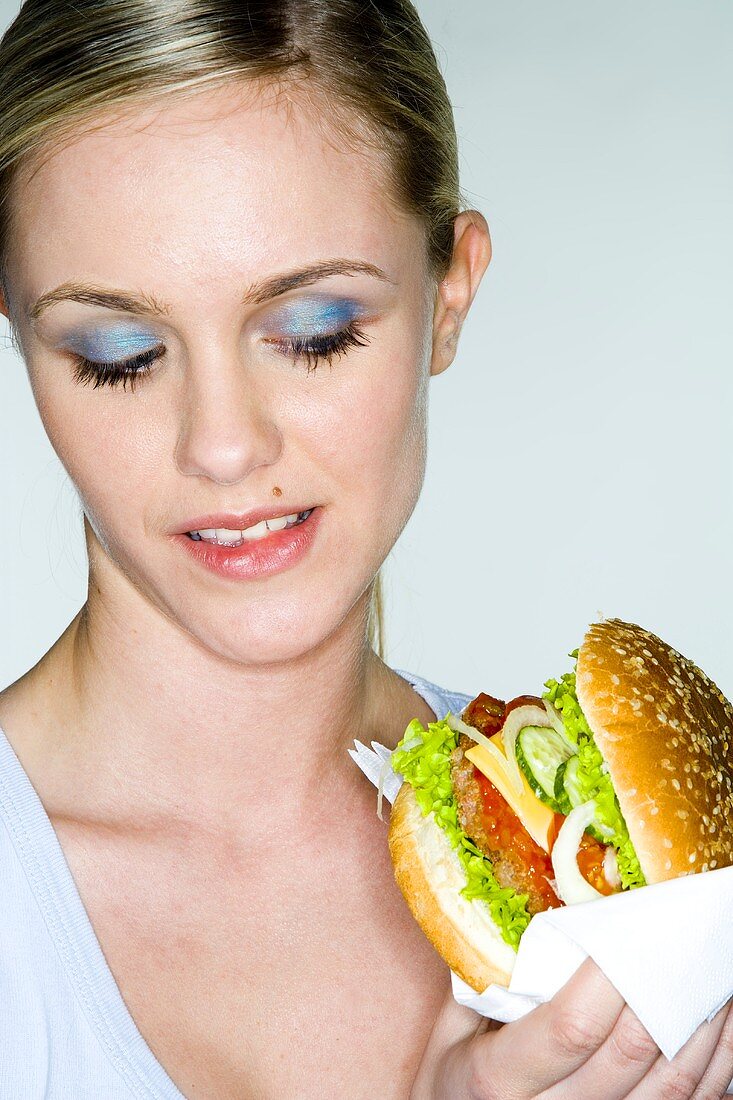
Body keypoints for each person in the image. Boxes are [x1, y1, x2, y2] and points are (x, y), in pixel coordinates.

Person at [0, 1, 730, 1097]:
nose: (225, 444)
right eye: (121, 354)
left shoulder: (644, 882)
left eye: (313, 333)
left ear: (450, 290)